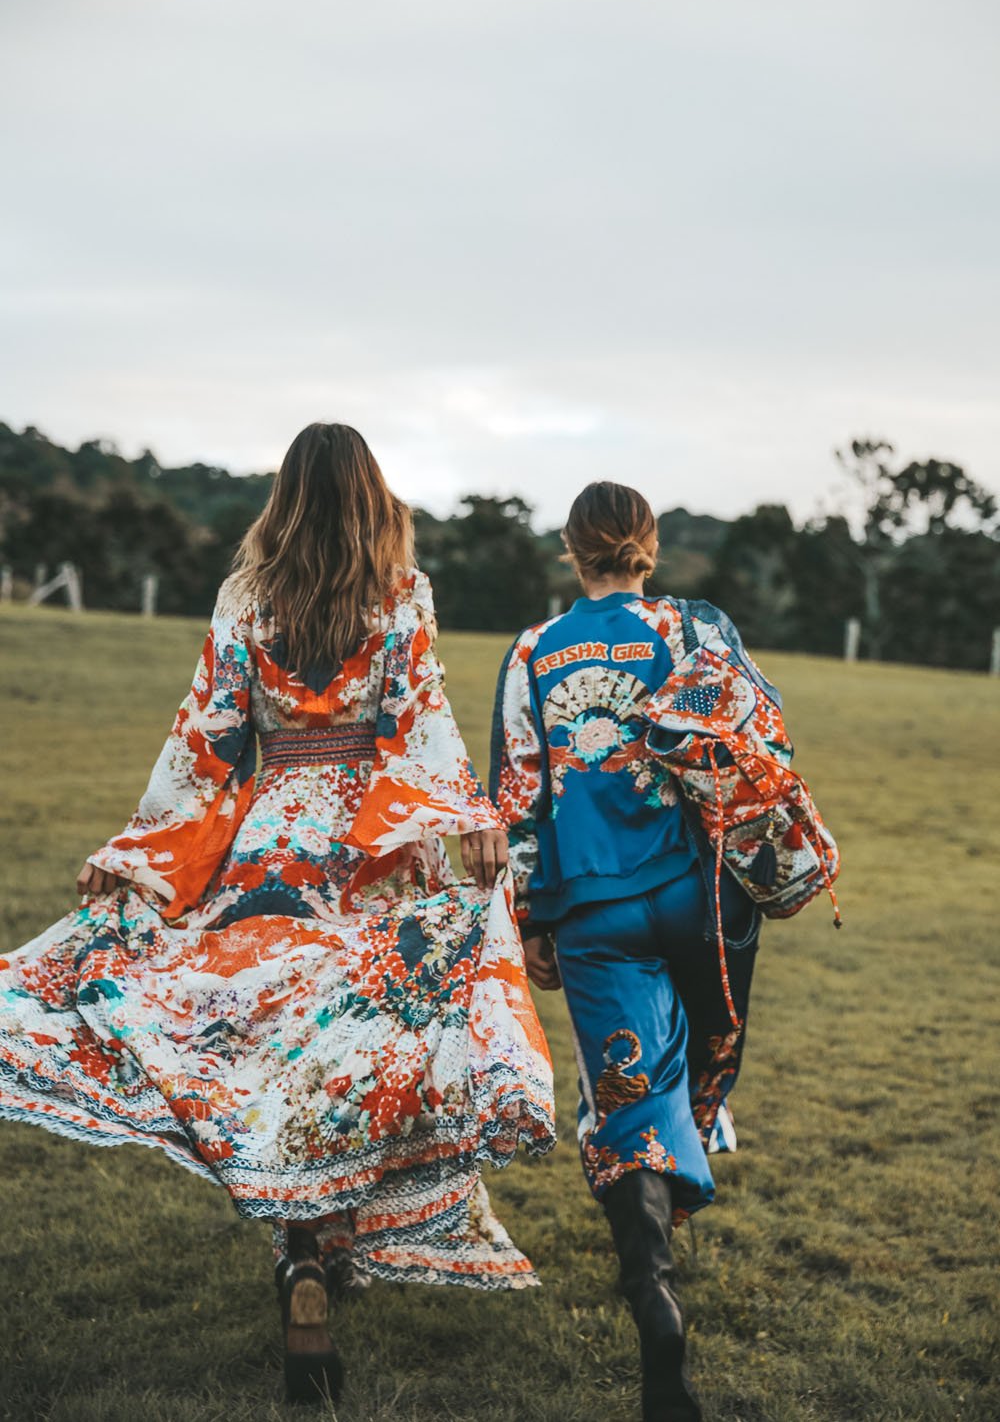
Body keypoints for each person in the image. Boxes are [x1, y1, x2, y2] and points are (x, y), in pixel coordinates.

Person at [0, 422, 555, 1405]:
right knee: (345, 1046)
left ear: (286, 498)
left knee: (267, 1047)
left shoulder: (246, 601)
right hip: (365, 853)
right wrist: (465, 822)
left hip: (267, 849)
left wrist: (139, 854)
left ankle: (302, 1256)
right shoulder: (400, 596)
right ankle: (321, 1245)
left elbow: (205, 741)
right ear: (373, 499)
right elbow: (419, 730)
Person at [490, 481, 792, 1422]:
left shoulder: (534, 651)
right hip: (697, 897)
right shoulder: (696, 628)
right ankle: (688, 1163)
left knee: (625, 1096)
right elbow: (760, 731)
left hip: (594, 911)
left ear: (570, 553)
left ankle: (654, 1298)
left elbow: (516, 789)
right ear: (648, 548)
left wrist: (533, 917)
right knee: (700, 1076)